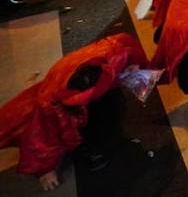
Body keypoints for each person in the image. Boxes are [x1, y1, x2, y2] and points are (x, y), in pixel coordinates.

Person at [0, 33, 144, 192]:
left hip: (85, 95)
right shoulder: (52, 105)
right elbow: (40, 137)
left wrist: (132, 63)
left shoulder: (108, 56)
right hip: (67, 106)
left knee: (113, 105)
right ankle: (94, 151)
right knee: (99, 122)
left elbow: (122, 44)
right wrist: (44, 170)